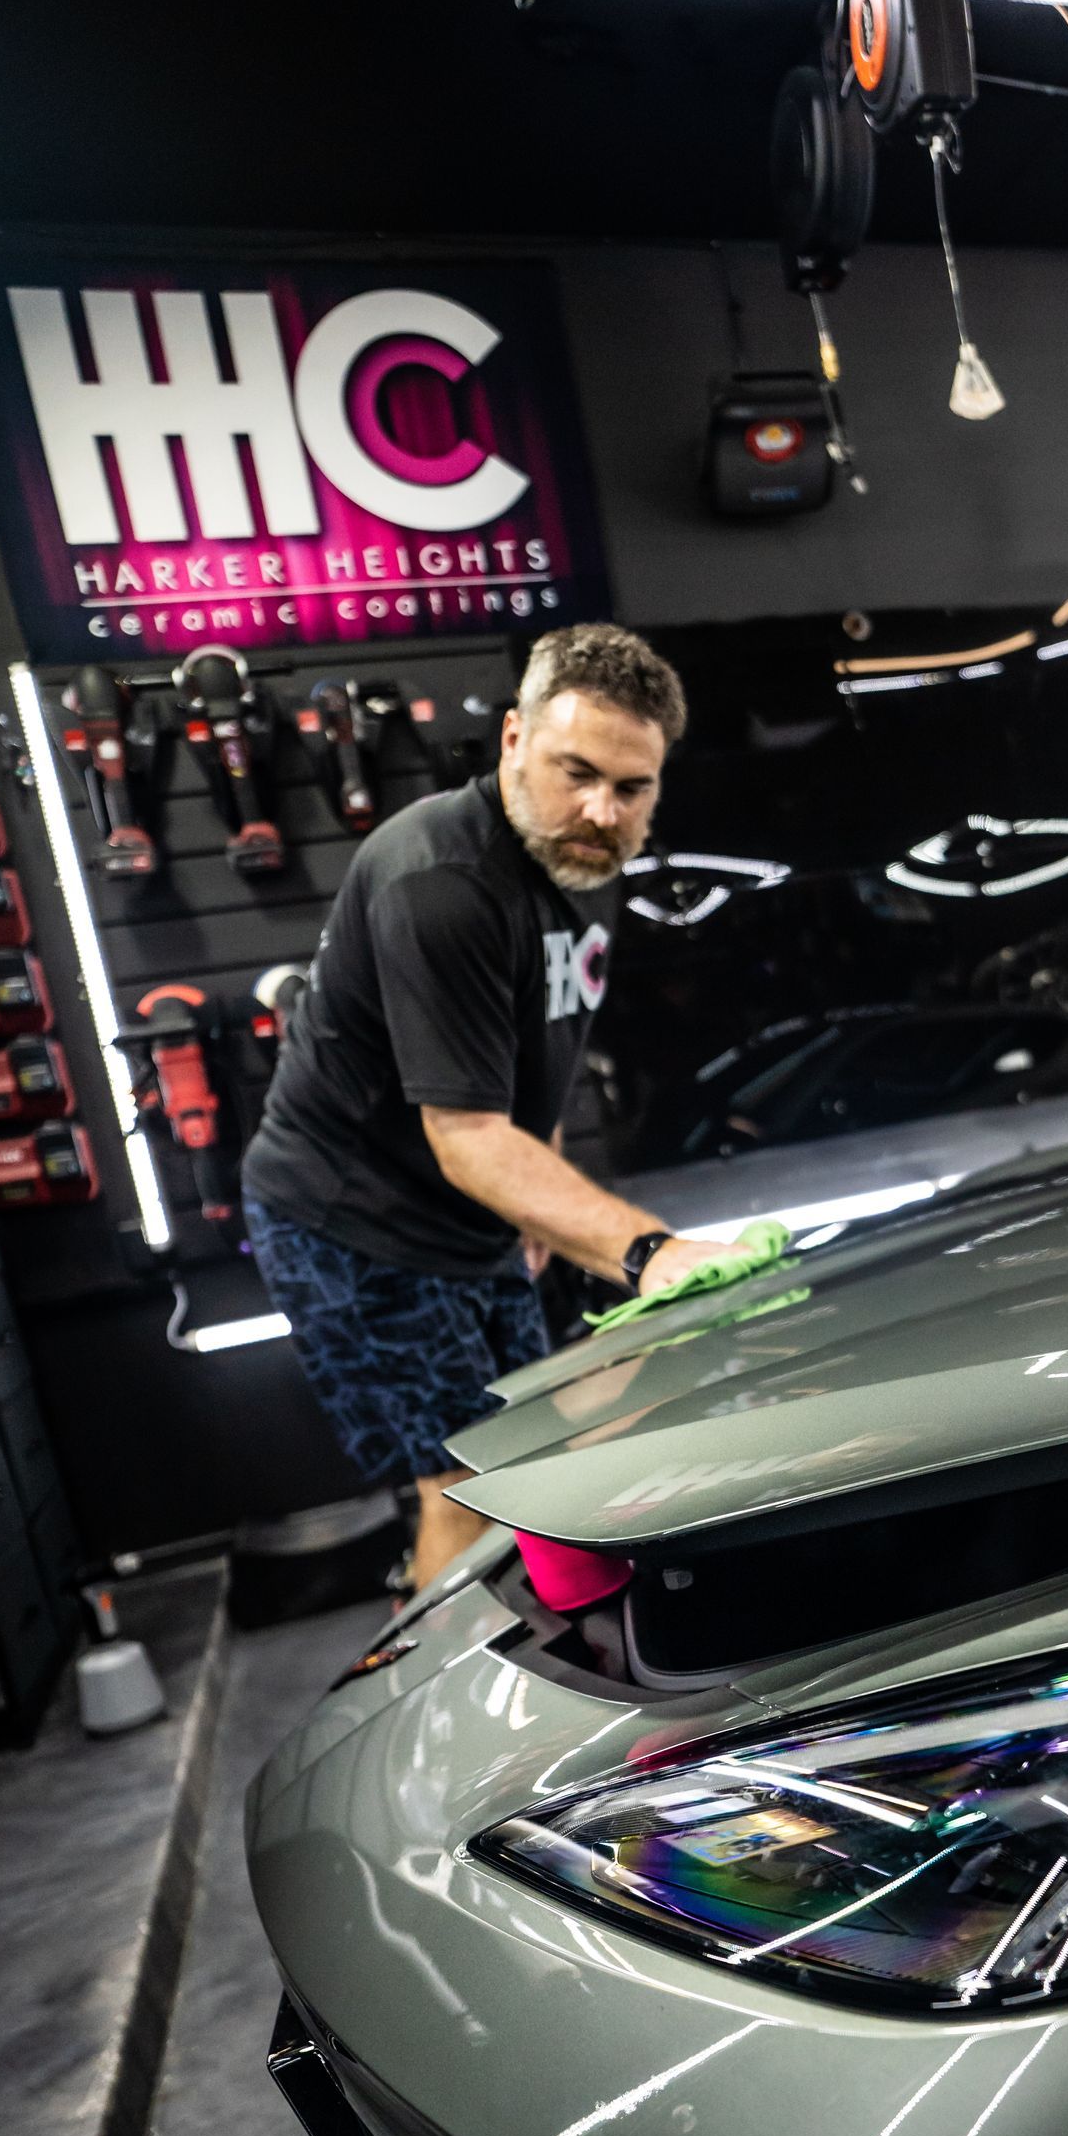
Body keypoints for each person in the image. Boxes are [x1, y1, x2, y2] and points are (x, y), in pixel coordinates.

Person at [242, 621, 746, 1588]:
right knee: (466, 1486)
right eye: (576, 772)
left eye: (632, 787)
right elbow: (467, 1136)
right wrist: (650, 1252)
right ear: (513, 740)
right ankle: (434, 1723)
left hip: (466, 1214)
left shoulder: (582, 862)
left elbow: (524, 1071)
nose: (601, 810)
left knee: (537, 1455)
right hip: (354, 1223)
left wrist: (536, 1204)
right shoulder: (443, 883)